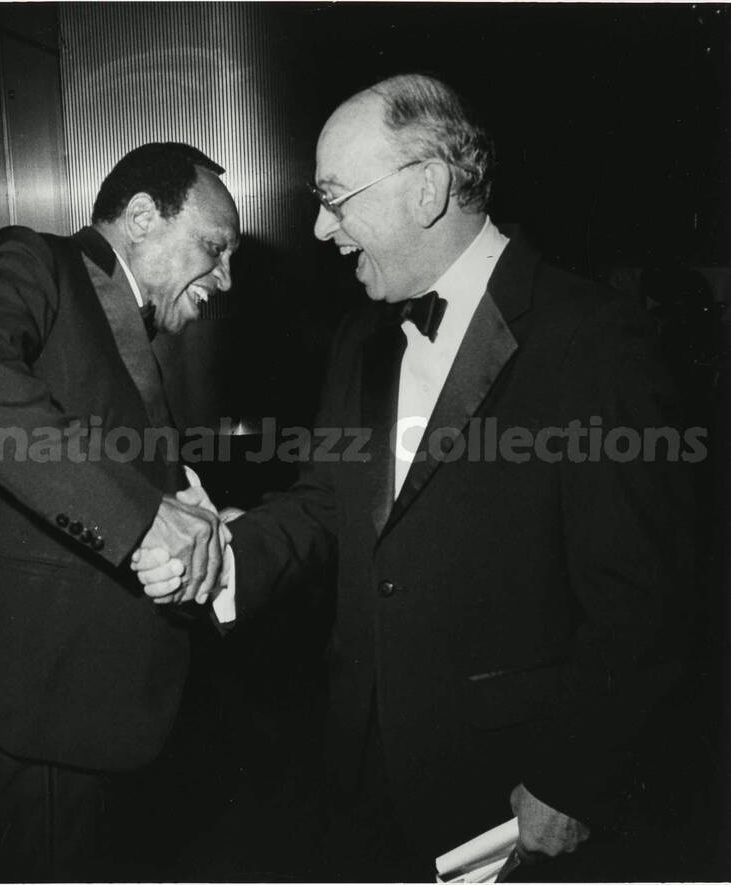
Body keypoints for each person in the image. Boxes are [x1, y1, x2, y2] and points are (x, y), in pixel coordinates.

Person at [134, 76, 695, 879]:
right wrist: (222, 553)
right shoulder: (360, 337)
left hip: (512, 792)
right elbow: (329, 505)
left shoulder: (596, 341)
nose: (321, 228)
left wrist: (576, 775)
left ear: (427, 187)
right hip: (362, 768)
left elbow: (646, 596)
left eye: (335, 197)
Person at [0, 142, 239, 878]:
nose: (226, 279)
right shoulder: (34, 258)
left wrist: (189, 514)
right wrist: (144, 513)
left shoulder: (127, 322)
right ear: (141, 217)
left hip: (83, 708)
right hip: (29, 704)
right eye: (215, 248)